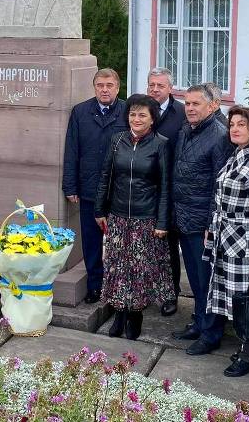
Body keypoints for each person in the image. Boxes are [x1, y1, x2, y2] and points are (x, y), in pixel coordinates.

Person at [204, 106, 249, 377]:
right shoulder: (239, 154)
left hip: (246, 242)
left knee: (247, 299)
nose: (234, 129)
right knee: (241, 297)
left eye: (241, 125)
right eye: (232, 124)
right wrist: (212, 228)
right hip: (229, 237)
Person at [94, 94, 172, 341]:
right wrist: (99, 210)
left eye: (142, 115)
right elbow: (105, 175)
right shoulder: (117, 140)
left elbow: (165, 187)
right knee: (118, 267)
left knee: (138, 270)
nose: (136, 119)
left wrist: (162, 222)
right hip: (117, 215)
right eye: (132, 114)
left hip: (145, 218)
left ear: (152, 119)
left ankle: (135, 315)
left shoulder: (160, 144)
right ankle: (119, 313)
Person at [171, 83, 235, 355]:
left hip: (202, 223)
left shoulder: (219, 135)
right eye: (187, 103)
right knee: (196, 279)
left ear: (212, 106)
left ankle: (211, 334)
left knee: (207, 281)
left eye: (196, 103)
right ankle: (198, 322)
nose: (190, 108)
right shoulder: (187, 129)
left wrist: (211, 223)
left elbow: (219, 185)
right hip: (184, 217)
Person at [63, 68, 127, 304]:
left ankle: (117, 287)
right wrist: (70, 186)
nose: (104, 90)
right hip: (89, 187)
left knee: (119, 242)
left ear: (117, 88)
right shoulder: (80, 112)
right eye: (100, 85)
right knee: (91, 241)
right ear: (94, 87)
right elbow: (71, 150)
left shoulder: (127, 111)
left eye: (109, 85)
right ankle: (94, 286)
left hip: (119, 190)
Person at [146, 67, 184, 316]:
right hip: (143, 188)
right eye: (152, 85)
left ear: (170, 88)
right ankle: (146, 290)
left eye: (160, 85)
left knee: (169, 245)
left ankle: (171, 294)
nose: (155, 90)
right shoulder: (141, 108)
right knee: (144, 244)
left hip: (170, 189)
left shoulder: (181, 112)